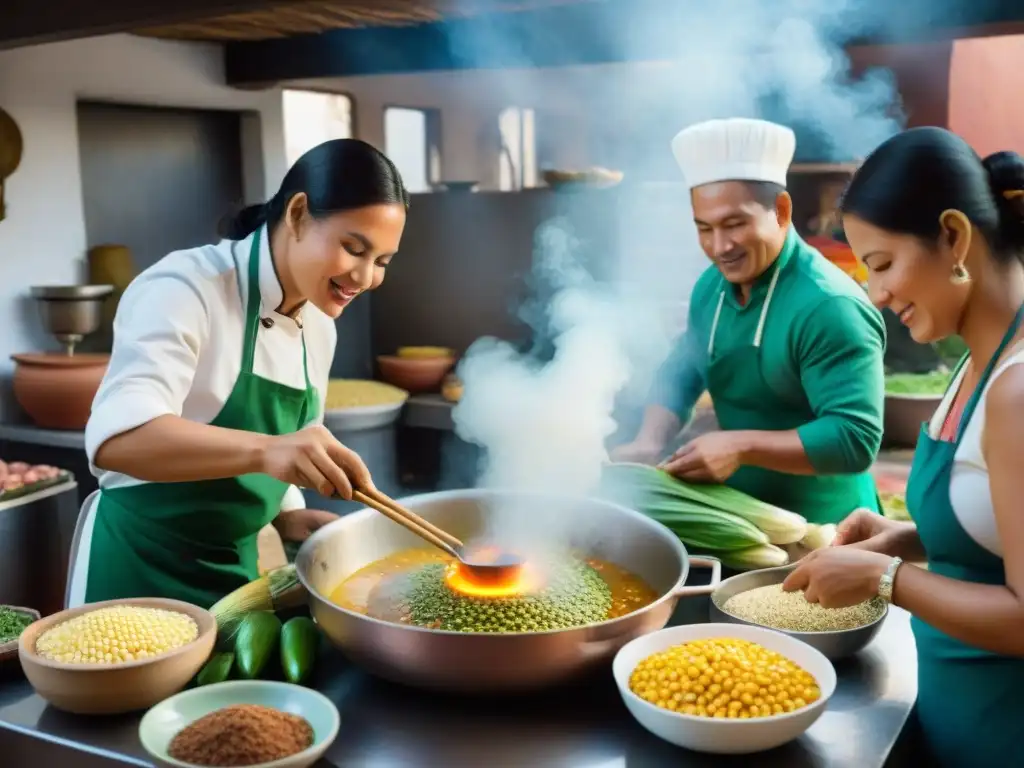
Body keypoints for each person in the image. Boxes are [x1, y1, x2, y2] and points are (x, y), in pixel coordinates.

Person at [66, 138, 409, 610]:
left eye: (382, 262)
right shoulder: (186, 288)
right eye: (354, 248)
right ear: (298, 214)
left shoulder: (320, 325)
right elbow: (116, 440)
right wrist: (270, 452)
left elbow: (292, 435)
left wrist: (287, 515)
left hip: (235, 582)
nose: (365, 277)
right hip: (137, 572)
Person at [783, 127, 1024, 767]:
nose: (876, 294)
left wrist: (885, 578)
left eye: (883, 264)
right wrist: (901, 537)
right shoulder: (975, 362)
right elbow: (997, 529)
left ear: (953, 237)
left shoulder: (1018, 389)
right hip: (955, 719)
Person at [613, 118, 886, 524]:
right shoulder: (712, 287)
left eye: (735, 224)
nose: (719, 247)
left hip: (827, 529)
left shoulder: (830, 306)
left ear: (781, 211)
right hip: (740, 517)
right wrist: (649, 439)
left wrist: (740, 446)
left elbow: (854, 438)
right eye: (704, 228)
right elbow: (686, 364)